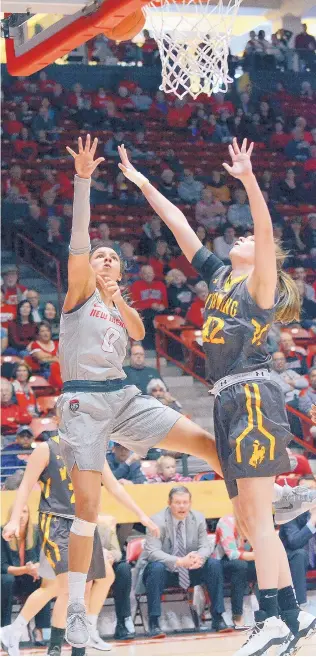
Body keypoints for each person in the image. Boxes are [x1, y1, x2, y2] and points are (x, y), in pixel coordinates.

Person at [118, 138, 316, 655]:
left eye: (249, 237)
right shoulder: (222, 276)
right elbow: (181, 227)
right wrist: (142, 185)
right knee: (250, 520)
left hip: (253, 397)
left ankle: (271, 616)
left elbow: (267, 231)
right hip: (225, 400)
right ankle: (292, 616)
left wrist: (249, 180)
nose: (244, 237)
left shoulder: (260, 287)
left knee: (257, 515)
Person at [58, 134, 230, 649]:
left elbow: (137, 334)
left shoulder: (115, 303)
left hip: (123, 395)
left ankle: (266, 504)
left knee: (205, 443)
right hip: (83, 400)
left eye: (113, 257)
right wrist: (84, 181)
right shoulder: (76, 293)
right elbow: (80, 239)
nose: (105, 259)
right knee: (87, 509)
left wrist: (119, 297)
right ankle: (75, 614)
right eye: (101, 257)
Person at [1, 432, 160, 656]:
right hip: (56, 522)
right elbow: (25, 488)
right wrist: (14, 520)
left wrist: (142, 515)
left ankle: (66, 647)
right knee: (64, 585)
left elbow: (114, 487)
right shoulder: (46, 450)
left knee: (82, 586)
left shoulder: (93, 450)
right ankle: (20, 631)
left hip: (85, 521)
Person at [135, 486, 228, 636]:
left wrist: (199, 557)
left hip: (190, 570)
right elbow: (153, 552)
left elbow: (205, 545)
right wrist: (179, 561)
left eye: (185, 502)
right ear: (169, 503)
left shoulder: (198, 518)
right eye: (177, 502)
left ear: (190, 503)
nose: (182, 506)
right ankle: (154, 622)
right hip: (165, 572)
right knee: (155, 568)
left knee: (213, 565)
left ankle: (218, 617)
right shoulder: (156, 520)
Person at [1, 505, 51, 643]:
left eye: (25, 512)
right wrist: (26, 569)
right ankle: (4, 628)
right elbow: (3, 566)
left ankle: (40, 629)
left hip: (29, 579)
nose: (22, 516)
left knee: (45, 580)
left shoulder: (35, 533)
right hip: (10, 580)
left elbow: (44, 558)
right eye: (19, 512)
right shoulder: (2, 534)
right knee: (6, 580)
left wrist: (36, 567)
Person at [214, 513, 256, 629]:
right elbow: (232, 554)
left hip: (247, 558)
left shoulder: (257, 520)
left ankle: (270, 611)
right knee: (240, 566)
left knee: (266, 565)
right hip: (222, 562)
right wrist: (257, 555)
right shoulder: (227, 522)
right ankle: (237, 614)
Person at [279, 475, 316, 608]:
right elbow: (294, 542)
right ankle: (301, 605)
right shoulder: (289, 510)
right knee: (299, 554)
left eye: (312, 489)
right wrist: (313, 521)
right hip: (293, 557)